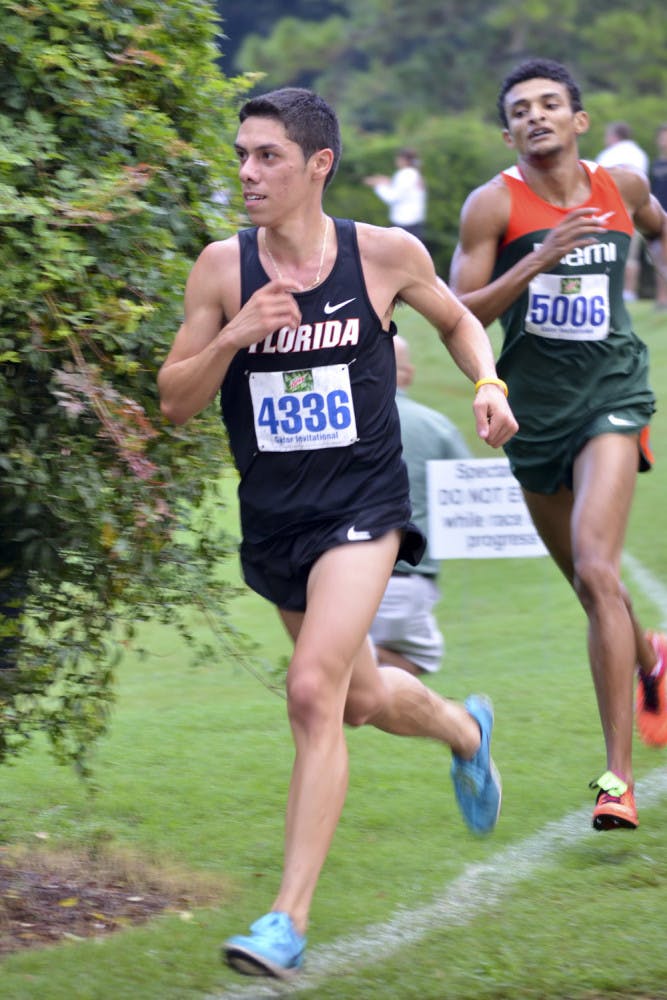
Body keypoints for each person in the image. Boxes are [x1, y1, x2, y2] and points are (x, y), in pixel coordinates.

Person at [158, 86, 517, 979]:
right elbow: (173, 403)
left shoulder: (383, 254)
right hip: (275, 519)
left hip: (363, 509)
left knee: (313, 692)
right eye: (241, 154)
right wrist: (235, 334)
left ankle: (285, 919)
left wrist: (487, 384)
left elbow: (459, 320)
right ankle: (466, 733)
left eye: (267, 156)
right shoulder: (220, 269)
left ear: (318, 164)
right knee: (357, 700)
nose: (246, 172)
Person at [450, 58, 667, 834]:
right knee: (587, 583)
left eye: (550, 104)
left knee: (600, 564)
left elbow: (655, 229)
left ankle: (617, 781)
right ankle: (652, 661)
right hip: (532, 414)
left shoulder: (623, 188)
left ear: (579, 121)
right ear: (505, 129)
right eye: (519, 109)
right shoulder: (491, 206)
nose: (535, 116)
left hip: (612, 391)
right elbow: (457, 311)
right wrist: (539, 256)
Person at [370, 335, 471, 676]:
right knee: (421, 660)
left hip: (343, 575)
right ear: (408, 374)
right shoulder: (436, 427)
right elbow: (469, 492)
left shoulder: (342, 424)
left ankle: (359, 657)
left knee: (355, 688)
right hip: (411, 576)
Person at [596, 121, 650, 302]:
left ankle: (611, 291)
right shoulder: (639, 154)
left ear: (614, 136)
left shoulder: (608, 155)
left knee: (606, 252)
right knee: (631, 254)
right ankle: (630, 292)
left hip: (609, 211)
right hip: (636, 209)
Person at [363, 148, 427, 242]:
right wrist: (387, 182)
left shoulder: (405, 174)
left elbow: (392, 197)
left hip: (404, 223)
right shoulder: (415, 173)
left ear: (403, 160)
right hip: (414, 222)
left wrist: (378, 185)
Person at [649, 124, 667, 309]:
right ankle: (661, 298)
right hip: (658, 217)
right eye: (661, 137)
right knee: (658, 259)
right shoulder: (656, 164)